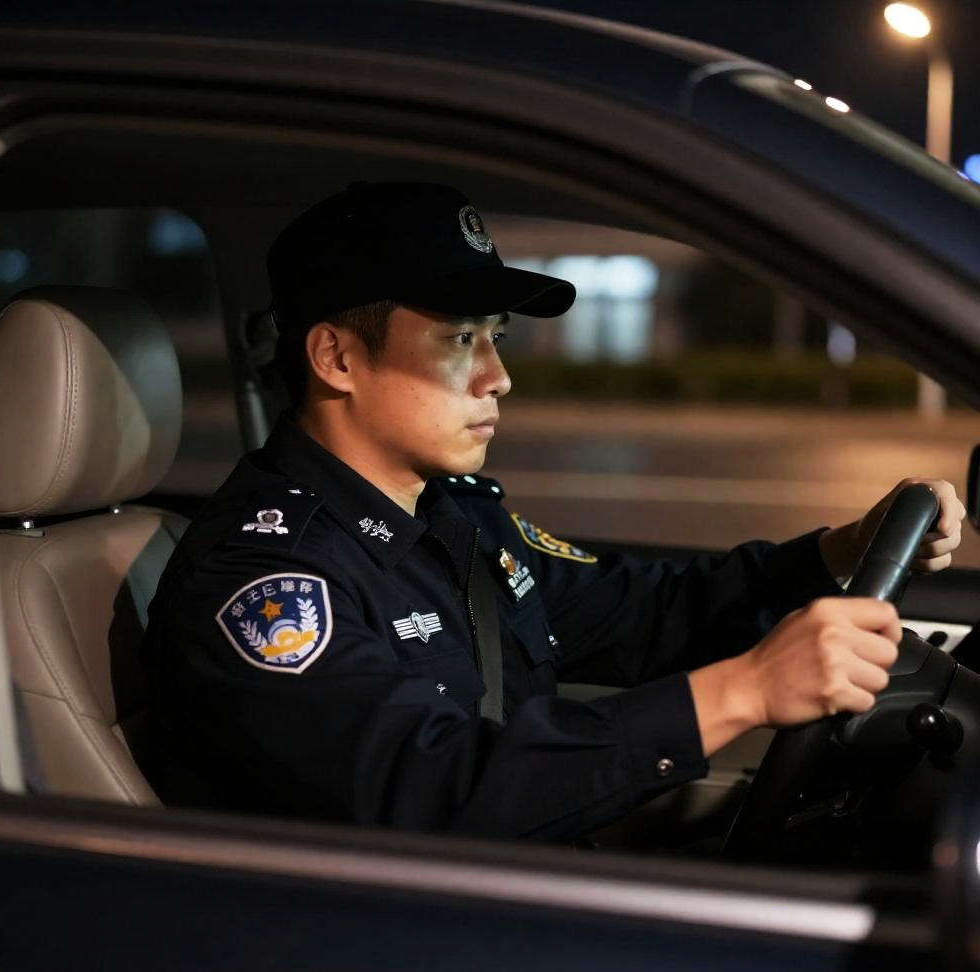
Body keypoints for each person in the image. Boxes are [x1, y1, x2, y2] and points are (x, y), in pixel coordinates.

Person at [142, 181, 965, 841]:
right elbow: (429, 790)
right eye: (459, 340)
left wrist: (840, 551)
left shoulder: (454, 518)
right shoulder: (264, 578)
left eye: (495, 337)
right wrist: (742, 693)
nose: (498, 377)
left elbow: (646, 612)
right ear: (338, 357)